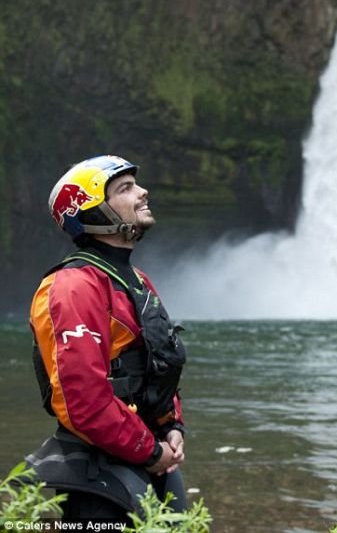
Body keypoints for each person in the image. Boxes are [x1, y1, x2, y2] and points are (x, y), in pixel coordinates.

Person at [26, 155, 187, 521]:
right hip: (100, 471)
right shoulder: (72, 286)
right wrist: (150, 451)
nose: (143, 192)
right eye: (125, 188)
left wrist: (172, 427)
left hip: (150, 455)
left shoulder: (136, 280)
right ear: (94, 211)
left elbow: (156, 361)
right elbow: (82, 399)